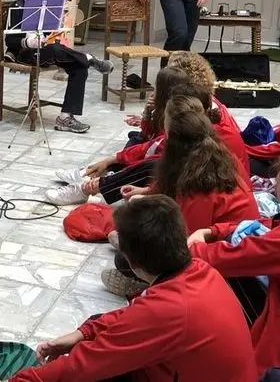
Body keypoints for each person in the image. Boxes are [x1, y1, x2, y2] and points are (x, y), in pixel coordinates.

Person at [8, 195, 256, 382]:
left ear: (131, 261)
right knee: (103, 331)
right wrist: (83, 333)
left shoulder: (168, 309)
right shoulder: (200, 269)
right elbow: (135, 314)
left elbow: (86, 364)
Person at [103, 95, 259, 297]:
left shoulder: (198, 184)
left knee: (126, 257)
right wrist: (146, 193)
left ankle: (150, 286)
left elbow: (186, 244)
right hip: (222, 243)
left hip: (227, 265)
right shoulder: (208, 156)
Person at [188, 146, 280, 378]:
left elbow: (233, 256)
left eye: (279, 172)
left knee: (206, 273)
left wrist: (189, 248)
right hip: (275, 302)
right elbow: (269, 225)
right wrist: (213, 230)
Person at [46, 67, 189, 205]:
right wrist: (147, 113)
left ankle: (90, 185)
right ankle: (89, 174)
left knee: (141, 160)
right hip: (159, 162)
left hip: (163, 173)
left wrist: (114, 161)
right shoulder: (167, 113)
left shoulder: (175, 122)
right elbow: (149, 137)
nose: (153, 90)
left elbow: (151, 149)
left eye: (157, 87)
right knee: (134, 141)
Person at [6, 0, 114, 133]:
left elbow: (48, 34)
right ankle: (89, 58)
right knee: (56, 49)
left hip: (44, 50)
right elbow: (10, 41)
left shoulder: (47, 7)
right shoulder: (17, 7)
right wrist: (29, 42)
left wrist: (58, 23)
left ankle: (65, 117)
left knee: (79, 67)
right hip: (25, 53)